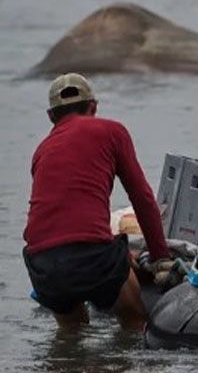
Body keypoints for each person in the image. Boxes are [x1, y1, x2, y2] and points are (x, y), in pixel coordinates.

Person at [23, 74, 171, 331]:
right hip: (91, 256)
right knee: (136, 323)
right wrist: (160, 258)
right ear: (94, 108)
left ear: (51, 117)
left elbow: (58, 216)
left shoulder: (41, 150)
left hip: (43, 265)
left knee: (71, 337)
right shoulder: (112, 131)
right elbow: (142, 198)